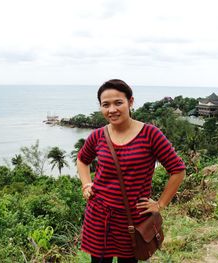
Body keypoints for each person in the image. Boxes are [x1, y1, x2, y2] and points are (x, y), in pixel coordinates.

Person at [77, 79, 186, 263]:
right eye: (106, 105)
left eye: (118, 102)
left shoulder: (150, 134)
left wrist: (160, 204)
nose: (112, 109)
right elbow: (82, 160)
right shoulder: (98, 136)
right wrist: (86, 183)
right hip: (99, 216)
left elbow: (178, 170)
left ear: (131, 102)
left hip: (131, 219)